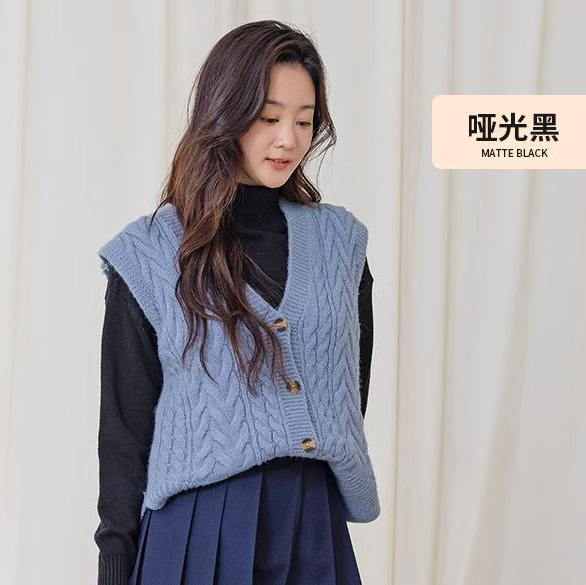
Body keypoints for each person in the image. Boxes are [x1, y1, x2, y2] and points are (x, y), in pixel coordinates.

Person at [94, 20, 380, 585]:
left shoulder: (341, 245)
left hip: (312, 528)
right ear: (225, 113)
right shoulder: (149, 255)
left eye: (304, 121)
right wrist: (115, 563)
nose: (288, 139)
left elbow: (349, 392)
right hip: (195, 532)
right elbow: (124, 432)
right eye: (269, 118)